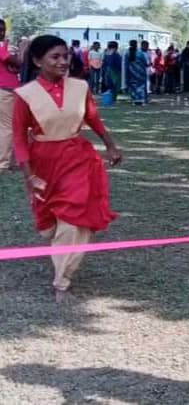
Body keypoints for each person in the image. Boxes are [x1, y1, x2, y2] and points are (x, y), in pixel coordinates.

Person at [12, 35, 122, 303]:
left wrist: (111, 145)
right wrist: (30, 175)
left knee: (74, 218)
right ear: (38, 61)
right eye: (55, 57)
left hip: (78, 159)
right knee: (50, 225)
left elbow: (92, 118)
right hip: (44, 162)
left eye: (65, 56)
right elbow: (18, 137)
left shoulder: (80, 87)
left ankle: (62, 280)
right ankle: (61, 248)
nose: (63, 62)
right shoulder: (25, 95)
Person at [0, 18, 22, 171]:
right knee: (8, 127)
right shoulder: (1, 48)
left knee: (9, 127)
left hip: (7, 89)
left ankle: (11, 160)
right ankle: (4, 162)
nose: (2, 33)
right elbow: (17, 62)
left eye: (3, 29)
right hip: (5, 90)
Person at [125, 40, 149, 105]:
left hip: (131, 72)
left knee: (133, 86)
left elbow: (126, 64)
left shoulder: (127, 53)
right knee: (141, 86)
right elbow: (145, 62)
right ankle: (142, 100)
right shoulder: (140, 52)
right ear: (136, 44)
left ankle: (134, 100)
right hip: (140, 72)